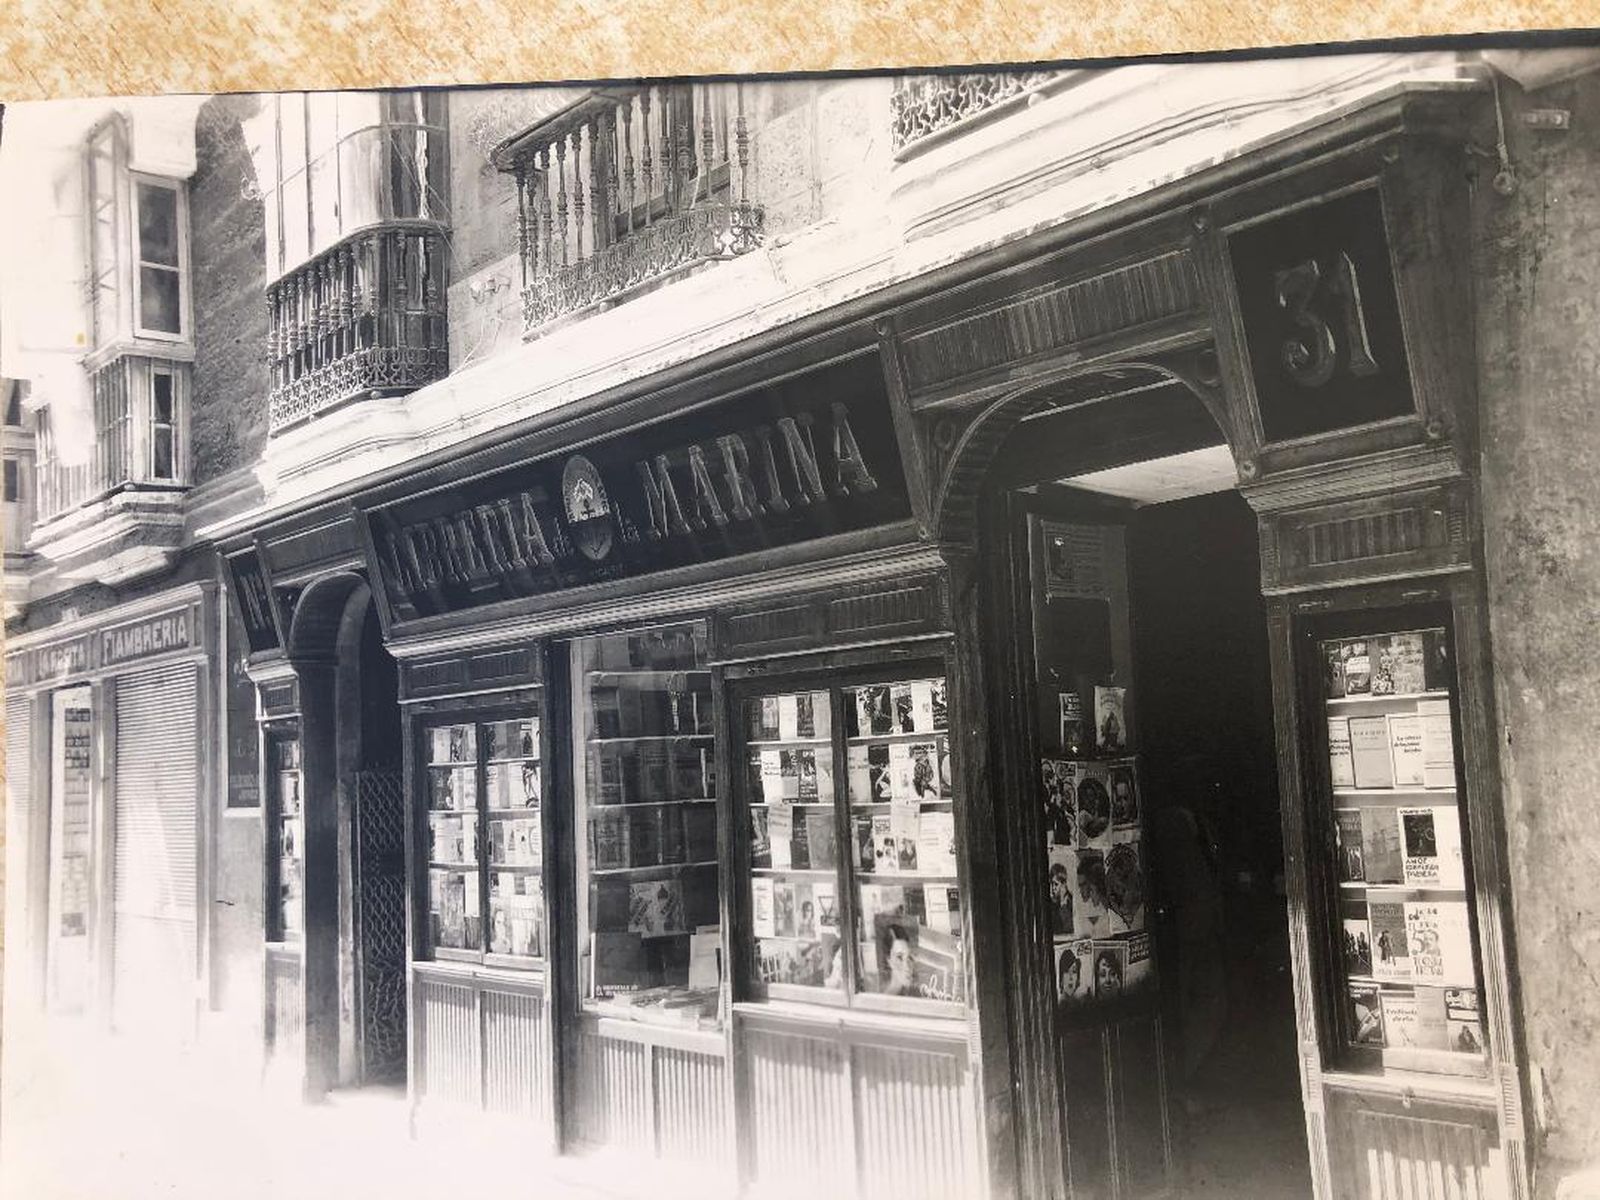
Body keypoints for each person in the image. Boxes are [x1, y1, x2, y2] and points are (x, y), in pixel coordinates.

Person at [883, 924, 916, 996]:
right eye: (899, 957)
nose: (907, 966)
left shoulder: (910, 996)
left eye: (910, 957)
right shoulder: (884, 999)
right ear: (889, 960)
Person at [1049, 863, 1074, 935]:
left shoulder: (1072, 902)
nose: (1053, 888)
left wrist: (1063, 903)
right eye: (1051, 884)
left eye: (1056, 884)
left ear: (1064, 884)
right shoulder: (1051, 903)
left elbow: (1069, 929)